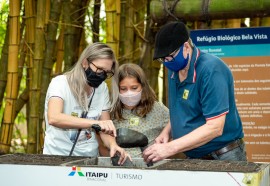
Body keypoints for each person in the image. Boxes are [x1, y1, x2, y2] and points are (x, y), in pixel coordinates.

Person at [143, 21, 247, 162]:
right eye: (163, 59)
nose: (167, 62)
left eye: (169, 57)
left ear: (186, 47)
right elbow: (182, 110)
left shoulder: (211, 70)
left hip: (223, 155)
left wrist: (170, 148)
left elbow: (215, 127)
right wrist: (167, 131)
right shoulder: (174, 70)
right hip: (194, 156)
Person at [43, 42, 129, 165]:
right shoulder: (60, 83)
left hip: (88, 161)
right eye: (99, 69)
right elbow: (54, 117)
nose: (101, 75)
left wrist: (113, 144)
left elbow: (105, 127)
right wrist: (94, 123)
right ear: (85, 62)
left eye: (106, 73)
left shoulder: (102, 88)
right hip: (56, 158)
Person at [110, 63, 169, 157]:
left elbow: (176, 125)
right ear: (117, 89)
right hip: (120, 168)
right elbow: (101, 139)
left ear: (143, 86)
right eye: (123, 89)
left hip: (151, 167)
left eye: (134, 88)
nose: (129, 93)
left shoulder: (158, 109)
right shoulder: (111, 112)